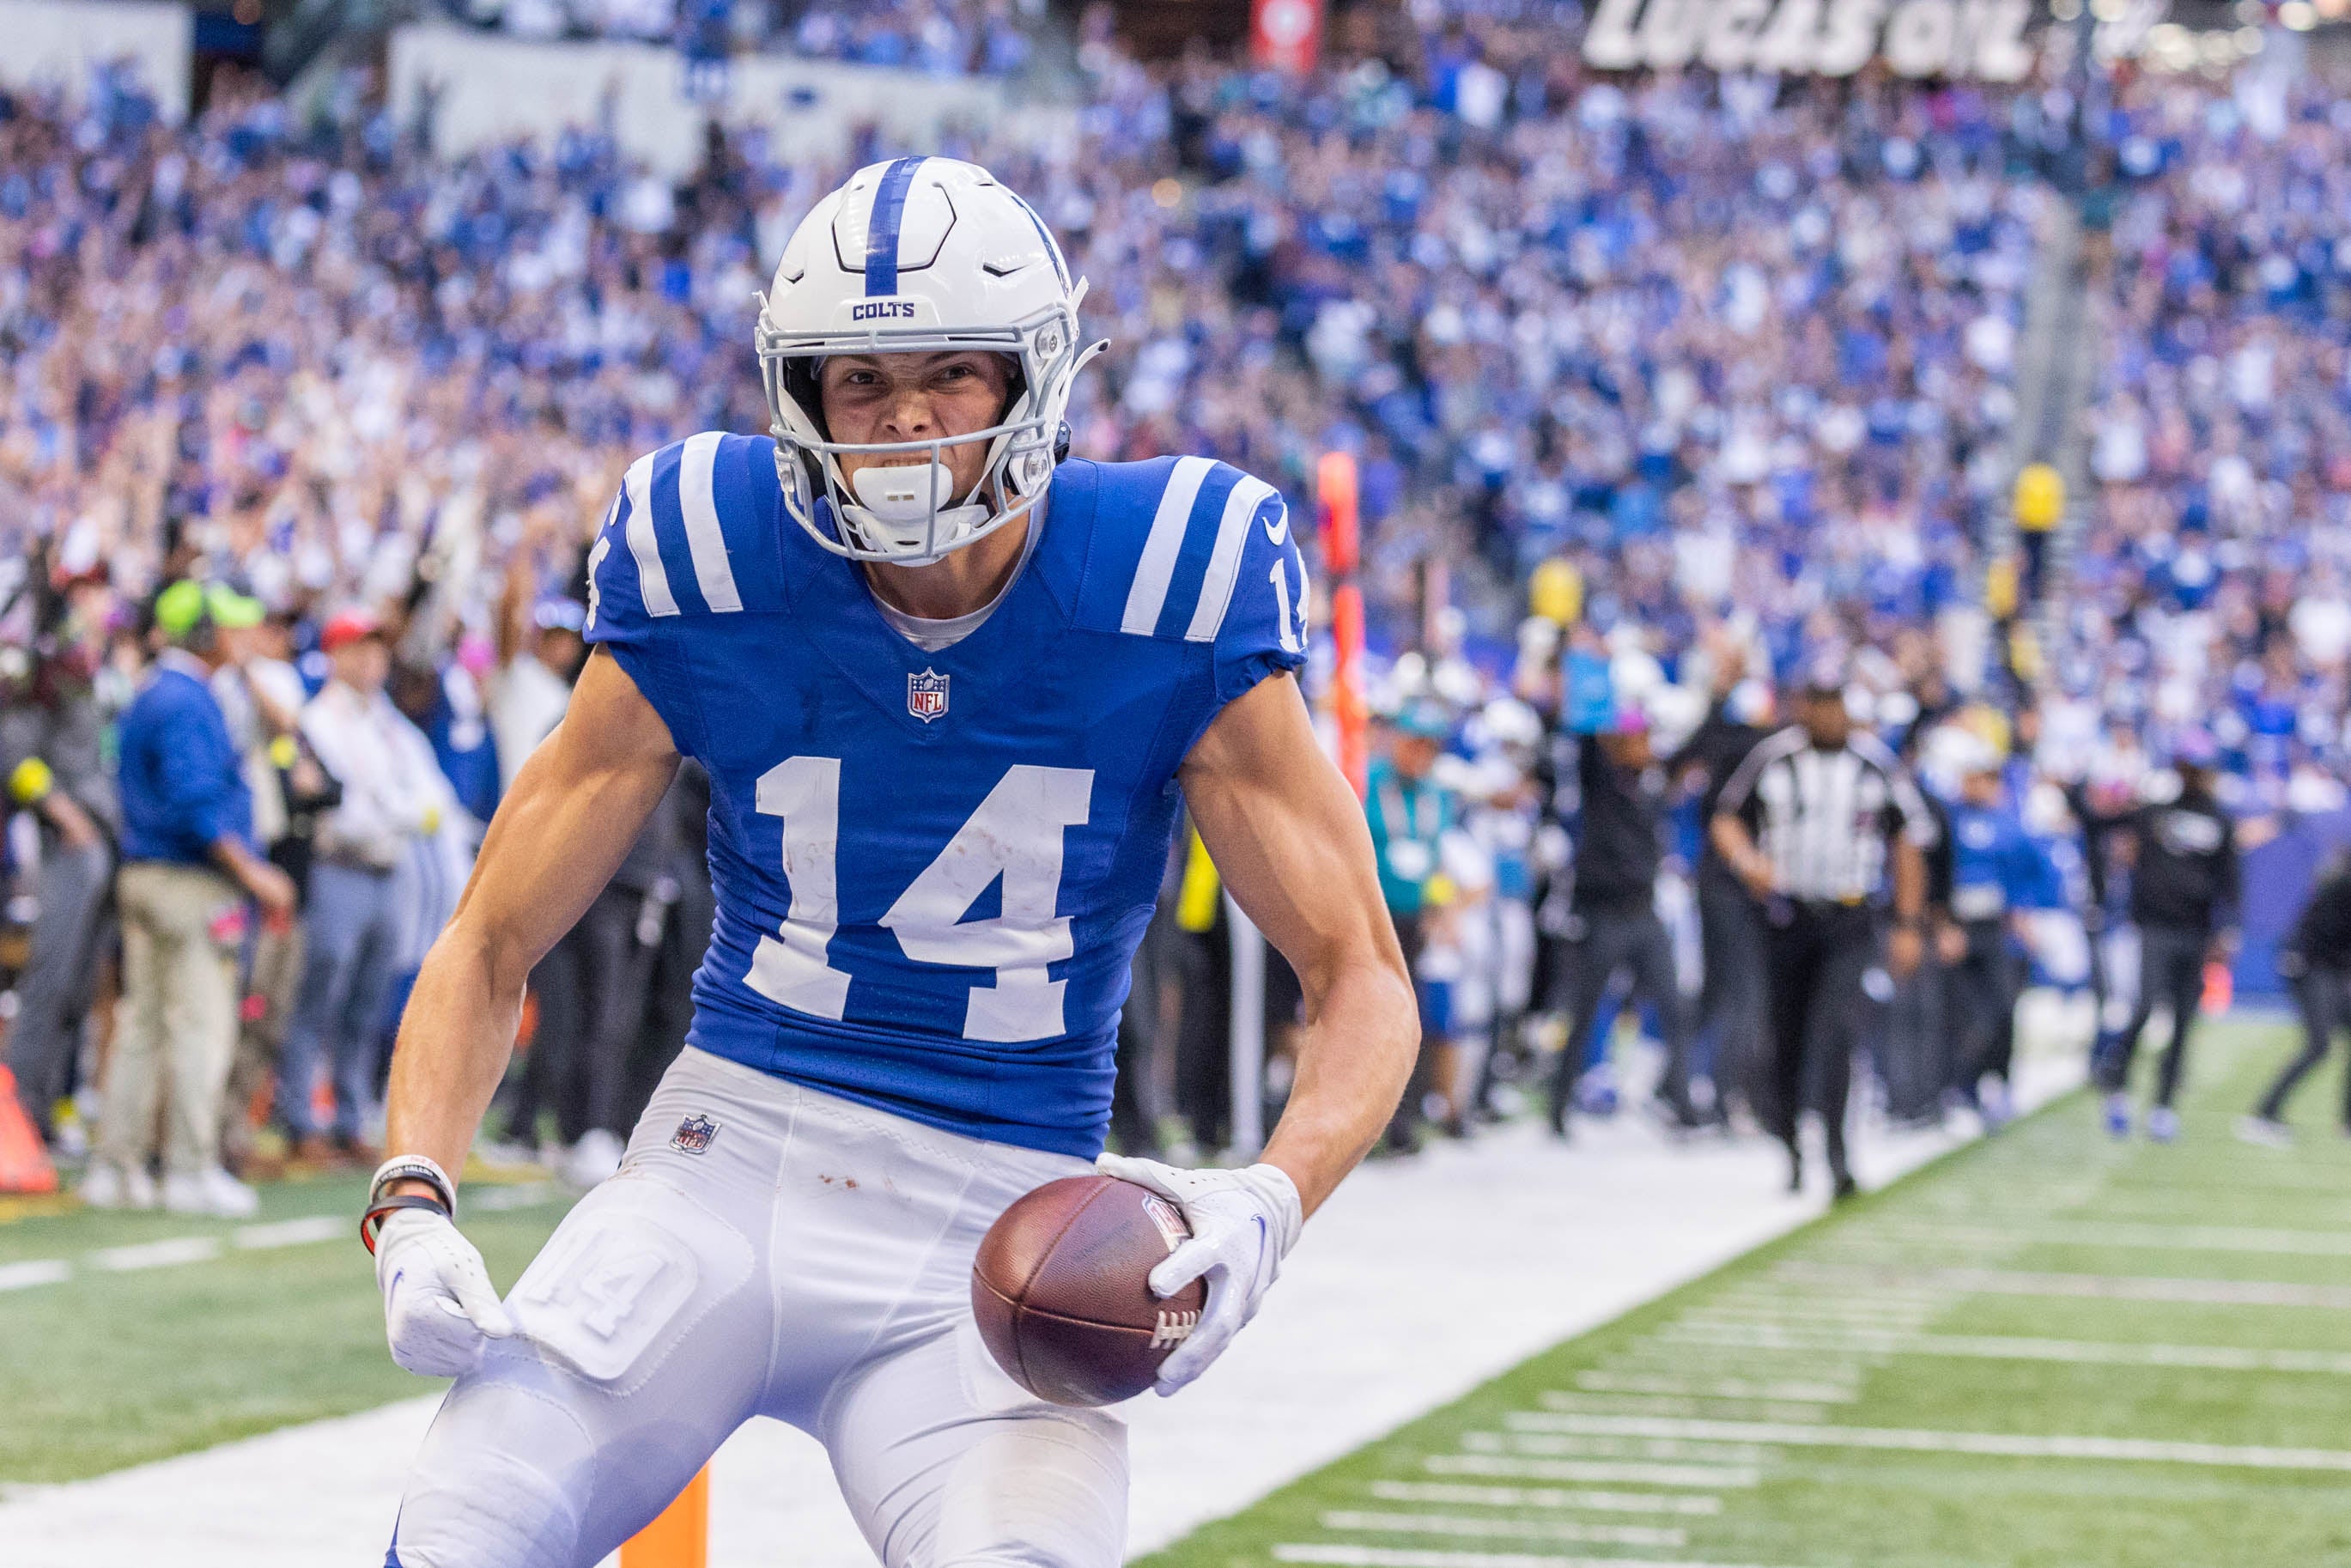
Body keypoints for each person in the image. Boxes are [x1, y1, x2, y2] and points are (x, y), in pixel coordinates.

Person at [365, 157, 1418, 1568]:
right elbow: (490, 936)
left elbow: (1359, 973)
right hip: (726, 1160)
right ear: (798, 400)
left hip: (1003, 1218)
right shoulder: (710, 549)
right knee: (458, 1531)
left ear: (1033, 380)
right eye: (858, 381)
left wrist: (1267, 1199)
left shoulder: (1171, 574)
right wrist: (413, 1193)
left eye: (952, 373)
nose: (907, 416)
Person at [86, 581, 295, 1215]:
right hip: (191, 884)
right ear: (204, 632)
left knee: (141, 1026)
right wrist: (255, 874)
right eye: (230, 626)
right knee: (204, 1024)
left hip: (143, 875)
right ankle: (188, 1166)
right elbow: (197, 802)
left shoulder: (156, 690)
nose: (241, 638)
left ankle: (116, 1167)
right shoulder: (187, 700)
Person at [1711, 662, 1935, 1198]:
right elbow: (1725, 817)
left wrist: (1908, 922)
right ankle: (1790, 1146)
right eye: (1818, 701)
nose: (1828, 713)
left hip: (1850, 917)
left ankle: (1837, 1154)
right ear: (1802, 705)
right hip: (1788, 915)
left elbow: (1909, 842)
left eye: (1835, 702)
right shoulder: (1772, 757)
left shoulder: (1874, 764)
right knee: (1783, 1034)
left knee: (1837, 1035)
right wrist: (1748, 861)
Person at [279, 609, 458, 1164]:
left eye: (378, 650)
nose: (372, 660)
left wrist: (396, 815)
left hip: (387, 873)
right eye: (359, 649)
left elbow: (433, 799)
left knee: (368, 1000)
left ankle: (350, 1117)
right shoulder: (319, 720)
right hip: (340, 869)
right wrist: (400, 816)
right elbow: (348, 815)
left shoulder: (390, 724)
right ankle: (300, 1117)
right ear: (335, 655)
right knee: (319, 994)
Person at [1547, 703, 1696, 1135]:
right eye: (1635, 738)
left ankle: (1683, 1105)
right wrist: (1597, 699)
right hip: (1604, 915)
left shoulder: (1650, 785)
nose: (1644, 746)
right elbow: (1585, 740)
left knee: (1674, 1006)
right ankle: (1559, 1106)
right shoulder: (1600, 782)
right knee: (1586, 1010)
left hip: (1644, 912)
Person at [2092, 729, 2239, 1142]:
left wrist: (2227, 931)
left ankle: (2162, 1104)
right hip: (2154, 927)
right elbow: (2102, 825)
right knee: (2143, 1009)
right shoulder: (2153, 811)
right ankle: (2118, 1089)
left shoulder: (2218, 819)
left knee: (2183, 1020)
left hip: (2195, 931)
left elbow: (2230, 880)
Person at [1940, 739, 2057, 1130]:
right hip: (1958, 926)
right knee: (1961, 1009)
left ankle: (1996, 1081)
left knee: (2002, 1010)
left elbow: (2032, 874)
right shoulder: (1949, 819)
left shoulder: (2010, 824)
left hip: (1997, 927)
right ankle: (1961, 1086)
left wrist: (2023, 914)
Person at [1365, 701, 1455, 1148]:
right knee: (1370, 1018)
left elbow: (1437, 860)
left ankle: (1403, 1121)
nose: (1422, 753)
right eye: (1415, 742)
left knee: (1411, 1018)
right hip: (1372, 919)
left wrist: (1441, 910)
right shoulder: (1368, 783)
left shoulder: (1436, 795)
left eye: (1430, 745)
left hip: (1414, 919)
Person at [2241, 851, 2351, 1146]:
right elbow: (2321, 937)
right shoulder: (2341, 887)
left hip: (2326, 968)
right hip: (2309, 967)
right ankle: (2263, 1114)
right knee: (2319, 1044)